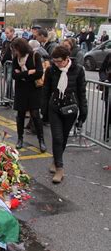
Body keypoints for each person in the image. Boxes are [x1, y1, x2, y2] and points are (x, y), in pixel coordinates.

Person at [42, 46, 87, 183]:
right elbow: (46, 90)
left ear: (67, 58)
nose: (57, 64)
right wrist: (43, 110)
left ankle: (56, 160)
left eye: (59, 61)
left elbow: (82, 93)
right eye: (54, 61)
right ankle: (60, 168)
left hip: (70, 109)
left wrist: (83, 113)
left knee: (64, 137)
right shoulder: (51, 70)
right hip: (54, 107)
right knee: (57, 138)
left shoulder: (78, 70)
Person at [11, 38, 47, 153]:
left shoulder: (35, 55)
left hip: (33, 90)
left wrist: (22, 75)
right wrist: (28, 73)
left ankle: (41, 140)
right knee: (20, 115)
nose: (15, 52)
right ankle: (20, 138)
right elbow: (13, 75)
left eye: (16, 49)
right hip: (21, 90)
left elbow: (39, 73)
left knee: (35, 115)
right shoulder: (16, 59)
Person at [1, 27, 17, 103]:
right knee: (7, 81)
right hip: (6, 63)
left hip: (12, 64)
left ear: (12, 32)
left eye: (7, 33)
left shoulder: (16, 41)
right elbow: (3, 52)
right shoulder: (5, 42)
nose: (6, 35)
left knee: (9, 80)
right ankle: (8, 96)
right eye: (5, 33)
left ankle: (10, 97)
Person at [99, 52, 111, 142]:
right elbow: (102, 70)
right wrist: (104, 79)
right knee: (109, 111)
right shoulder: (109, 55)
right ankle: (106, 133)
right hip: (109, 88)